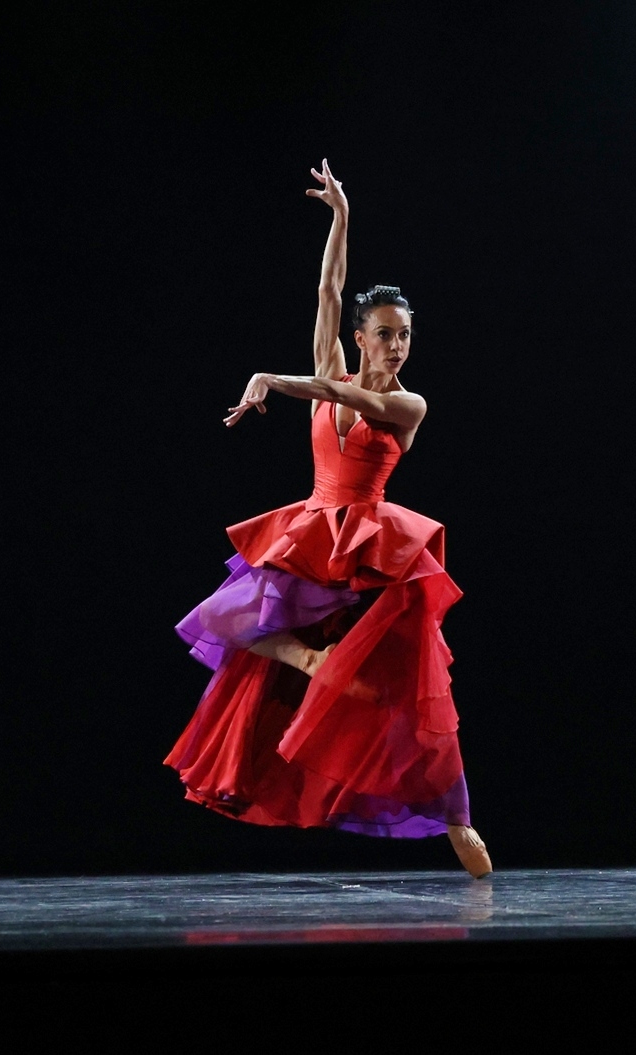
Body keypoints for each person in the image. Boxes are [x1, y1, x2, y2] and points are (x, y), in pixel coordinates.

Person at [167, 160, 491, 878]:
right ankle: (312, 661)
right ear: (361, 336)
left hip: (373, 547)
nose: (396, 346)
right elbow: (327, 289)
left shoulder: (409, 405)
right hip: (312, 530)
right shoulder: (331, 370)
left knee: (411, 694)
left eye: (404, 334)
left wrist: (272, 381)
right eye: (384, 333)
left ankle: (455, 816)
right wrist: (340, 219)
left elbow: (345, 395)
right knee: (233, 620)